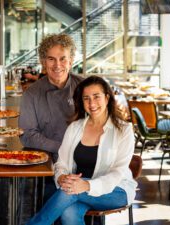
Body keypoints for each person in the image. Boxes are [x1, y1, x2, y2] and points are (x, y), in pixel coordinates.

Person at [26, 76, 137, 225]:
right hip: (77, 190)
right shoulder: (75, 128)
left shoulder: (124, 130)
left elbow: (117, 172)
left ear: (107, 98)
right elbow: (62, 163)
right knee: (68, 214)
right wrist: (61, 178)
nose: (92, 103)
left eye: (96, 97)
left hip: (116, 190)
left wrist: (87, 185)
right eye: (86, 98)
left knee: (68, 192)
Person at [19, 33, 83, 161]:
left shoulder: (84, 87)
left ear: (71, 61)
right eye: (51, 59)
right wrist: (64, 148)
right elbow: (27, 135)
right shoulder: (31, 94)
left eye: (63, 59)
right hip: (49, 161)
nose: (57, 65)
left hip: (85, 158)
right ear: (43, 62)